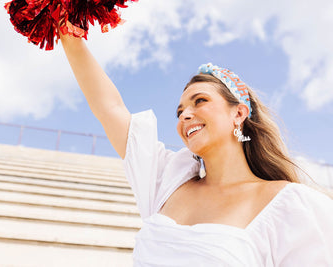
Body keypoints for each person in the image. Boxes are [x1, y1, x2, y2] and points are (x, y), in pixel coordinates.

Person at [59, 33, 333, 266]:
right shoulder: (166, 182)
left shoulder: (294, 205)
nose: (185, 115)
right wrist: (68, 35)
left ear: (239, 113)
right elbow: (111, 109)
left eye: (199, 101)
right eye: (179, 111)